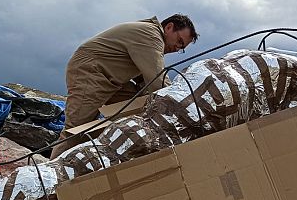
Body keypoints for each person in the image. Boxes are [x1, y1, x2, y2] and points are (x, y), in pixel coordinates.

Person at [49, 14, 198, 158]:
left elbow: (145, 81)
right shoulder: (151, 36)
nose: (178, 48)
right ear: (169, 27)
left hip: (113, 80)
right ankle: (48, 176)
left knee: (139, 108)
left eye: (182, 47)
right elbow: (157, 80)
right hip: (91, 72)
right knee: (76, 129)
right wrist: (185, 104)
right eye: (179, 41)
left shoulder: (149, 38)